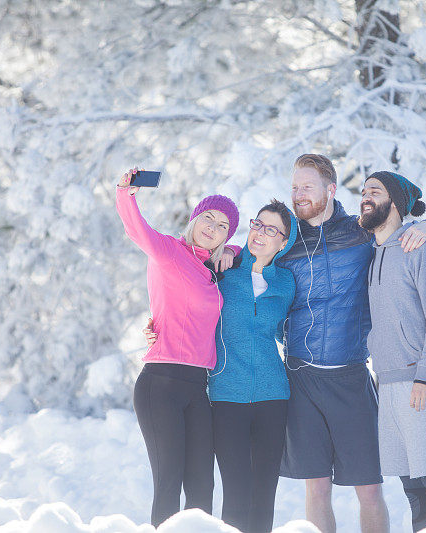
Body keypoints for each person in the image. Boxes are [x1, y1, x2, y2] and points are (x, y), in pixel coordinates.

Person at [222, 154, 426, 533]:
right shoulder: (287, 240)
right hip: (301, 378)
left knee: (370, 489)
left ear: (330, 189)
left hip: (351, 375)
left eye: (307, 186)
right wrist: (227, 251)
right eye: (294, 187)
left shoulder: (359, 232)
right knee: (317, 487)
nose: (298, 194)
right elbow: (252, 257)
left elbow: (400, 229)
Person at [146, 199, 298, 533]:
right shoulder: (223, 269)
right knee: (236, 494)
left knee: (264, 494)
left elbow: (287, 332)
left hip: (274, 397)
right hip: (226, 396)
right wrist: (158, 325)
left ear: (283, 242)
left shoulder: (286, 283)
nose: (260, 232)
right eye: (257, 224)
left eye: (271, 229)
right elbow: (189, 302)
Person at [115, 167, 239, 527]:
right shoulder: (169, 251)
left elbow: (259, 251)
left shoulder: (213, 269)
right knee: (168, 485)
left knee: (202, 488)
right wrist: (126, 192)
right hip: (161, 384)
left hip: (198, 388)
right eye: (208, 218)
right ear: (195, 218)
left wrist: (231, 250)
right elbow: (137, 229)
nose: (212, 227)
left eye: (222, 227)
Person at [359, 171, 426, 531]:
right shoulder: (372, 253)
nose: (365, 196)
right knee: (413, 489)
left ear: (396, 203)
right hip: (387, 384)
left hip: (423, 381)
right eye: (363, 191)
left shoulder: (423, 247)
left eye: (375, 190)